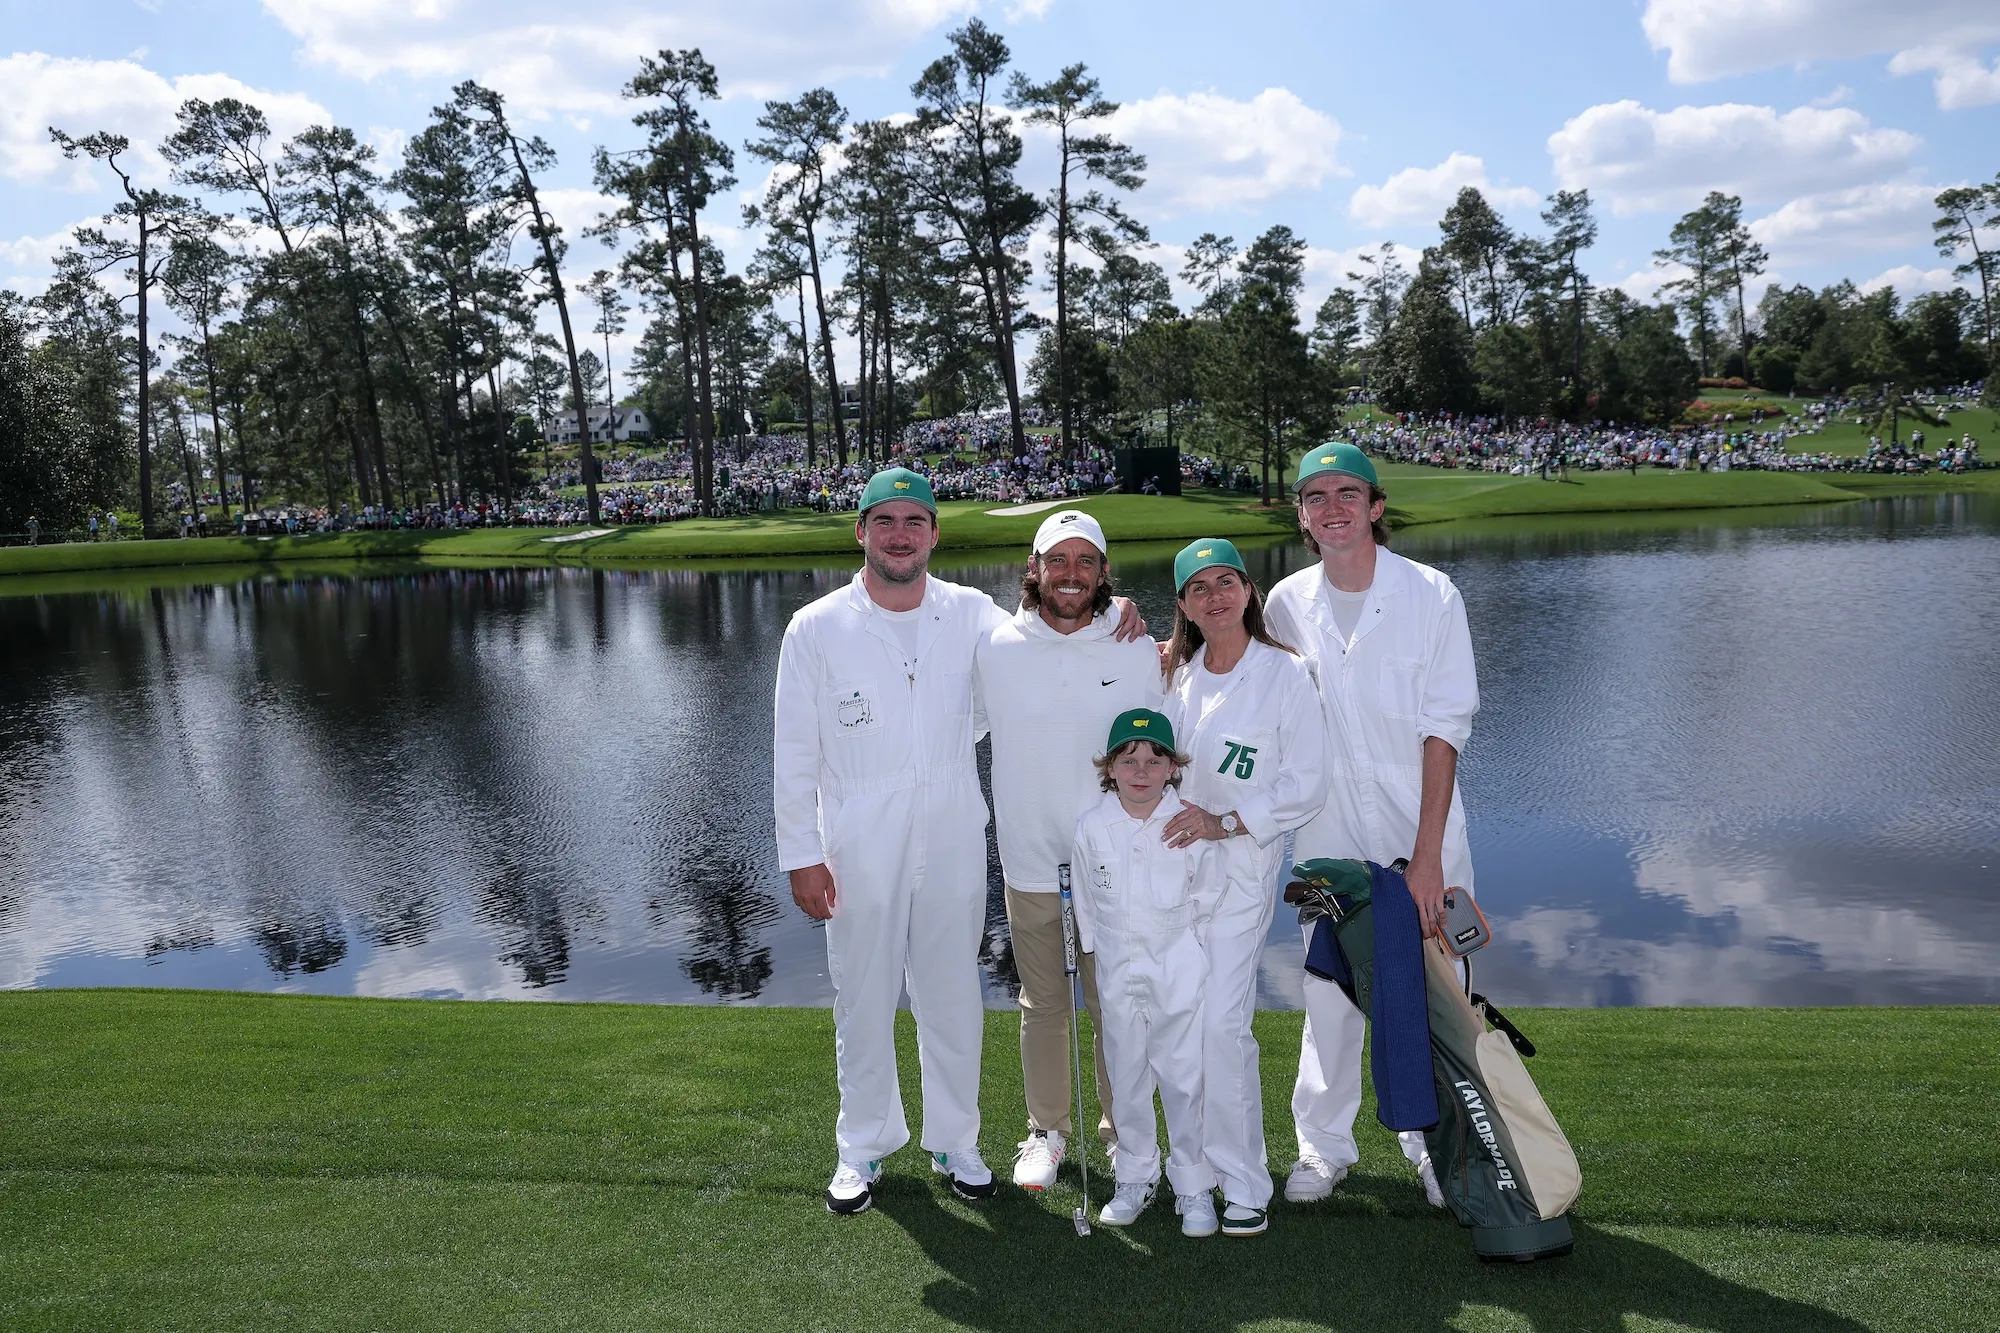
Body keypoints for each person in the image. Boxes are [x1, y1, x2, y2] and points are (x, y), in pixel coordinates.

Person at [773, 468, 1145, 1217]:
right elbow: (793, 750)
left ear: (936, 533)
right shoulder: (815, 626)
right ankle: (863, 1146)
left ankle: (955, 1140)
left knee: (951, 993)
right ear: (863, 533)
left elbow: (1045, 637)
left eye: (916, 521)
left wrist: (1117, 613)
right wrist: (800, 852)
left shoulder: (973, 614)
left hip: (949, 822)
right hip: (856, 832)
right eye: (887, 522)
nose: (902, 534)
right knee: (864, 993)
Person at [1264, 441, 1479, 1210]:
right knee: (1330, 988)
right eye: (1315, 496)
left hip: (1420, 825)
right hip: (1325, 829)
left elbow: (1444, 728)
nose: (1332, 508)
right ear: (1301, 515)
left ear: (1376, 505)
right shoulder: (1285, 601)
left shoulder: (1432, 594)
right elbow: (1234, 666)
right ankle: (1323, 1149)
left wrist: (1427, 860)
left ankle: (1436, 1146)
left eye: (1347, 493)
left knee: (1432, 990)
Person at [975, 509, 1161, 1191]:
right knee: (1043, 1000)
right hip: (1028, 859)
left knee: (1117, 1001)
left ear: (1105, 572)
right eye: (1059, 560)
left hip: (1112, 862)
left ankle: (1123, 1132)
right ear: (1034, 568)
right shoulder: (996, 647)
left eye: (1087, 561)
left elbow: (1168, 735)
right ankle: (1047, 1130)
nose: (1072, 574)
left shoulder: (1133, 646)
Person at [1158, 538, 1330, 1236]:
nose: (1215, 597)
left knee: (1223, 1024)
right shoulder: (1176, 675)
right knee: (1179, 1022)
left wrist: (1226, 821)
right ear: (1183, 606)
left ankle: (1244, 1180)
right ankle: (1190, 1172)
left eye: (1225, 581)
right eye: (1198, 588)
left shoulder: (1285, 675)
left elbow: (1305, 785)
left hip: (1240, 869)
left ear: (1249, 590)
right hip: (1174, 875)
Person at [1071, 708, 1219, 1237]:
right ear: (1109, 768)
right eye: (1128, 760)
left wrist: (1197, 956)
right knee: (1127, 1077)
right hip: (1116, 972)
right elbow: (1086, 899)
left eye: (1154, 760)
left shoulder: (1187, 824)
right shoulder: (1093, 826)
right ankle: (1135, 1175)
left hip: (1176, 969)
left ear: (1172, 768)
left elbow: (1206, 897)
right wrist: (1089, 947)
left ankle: (1193, 1185)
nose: (1141, 770)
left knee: (1184, 1079)